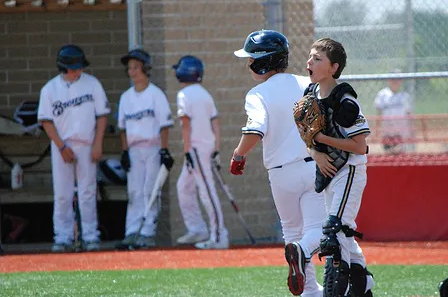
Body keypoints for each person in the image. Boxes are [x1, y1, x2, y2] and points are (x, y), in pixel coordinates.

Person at [232, 30, 326, 297]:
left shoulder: (257, 93)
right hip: (314, 164)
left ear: (264, 61)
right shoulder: (306, 83)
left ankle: (309, 289)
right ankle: (304, 256)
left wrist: (238, 155)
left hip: (280, 174)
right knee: (317, 229)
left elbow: (255, 131)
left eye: (251, 58)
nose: (249, 64)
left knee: (292, 231)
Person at [305, 37, 374, 296]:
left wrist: (321, 139)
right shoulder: (310, 96)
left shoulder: (345, 101)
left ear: (333, 68)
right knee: (343, 233)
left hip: (350, 169)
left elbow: (360, 146)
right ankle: (363, 286)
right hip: (328, 170)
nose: (309, 62)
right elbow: (307, 139)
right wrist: (316, 152)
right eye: (310, 57)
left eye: (317, 58)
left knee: (334, 231)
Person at [37, 44, 109, 252]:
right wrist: (60, 147)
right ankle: (63, 236)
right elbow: (46, 121)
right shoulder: (50, 89)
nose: (79, 71)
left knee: (88, 191)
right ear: (63, 67)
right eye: (74, 67)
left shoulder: (92, 84)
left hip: (87, 143)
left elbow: (102, 115)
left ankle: (90, 235)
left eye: (80, 67)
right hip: (62, 145)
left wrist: (98, 143)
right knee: (62, 193)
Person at [117, 49, 175, 249]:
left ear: (145, 69)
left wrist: (164, 150)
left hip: (152, 148)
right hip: (134, 149)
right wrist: (124, 151)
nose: (132, 72)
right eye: (130, 68)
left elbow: (164, 125)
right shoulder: (126, 97)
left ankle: (147, 231)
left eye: (136, 67)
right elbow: (123, 128)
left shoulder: (155, 94)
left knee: (150, 190)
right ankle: (132, 230)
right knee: (134, 191)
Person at [173, 55, 229, 250]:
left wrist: (187, 150)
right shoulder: (204, 93)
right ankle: (197, 228)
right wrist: (217, 149)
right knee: (183, 187)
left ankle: (219, 235)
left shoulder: (184, 94)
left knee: (207, 191)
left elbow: (185, 125)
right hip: (205, 147)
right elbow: (215, 122)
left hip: (196, 148)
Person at [373, 69, 413, 154]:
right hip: (387, 133)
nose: (395, 81)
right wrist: (377, 131)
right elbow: (379, 115)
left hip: (400, 133)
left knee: (400, 156)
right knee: (388, 155)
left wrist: (410, 132)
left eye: (398, 79)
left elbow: (409, 116)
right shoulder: (383, 94)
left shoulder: (405, 96)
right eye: (393, 79)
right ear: (389, 80)